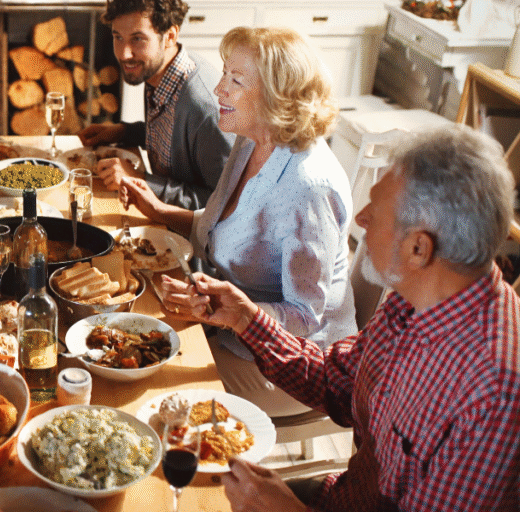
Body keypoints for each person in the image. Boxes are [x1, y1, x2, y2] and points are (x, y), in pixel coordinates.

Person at [182, 125, 520, 511]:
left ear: (417, 248)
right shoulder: (414, 299)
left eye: (375, 213)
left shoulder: (495, 391)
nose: (360, 219)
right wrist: (247, 319)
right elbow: (336, 381)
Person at [120, 26, 356, 418]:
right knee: (130, 341)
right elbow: (225, 227)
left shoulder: (306, 187)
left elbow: (303, 316)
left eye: (235, 79)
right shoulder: (252, 139)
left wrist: (226, 312)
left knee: (149, 387)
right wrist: (160, 213)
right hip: (231, 328)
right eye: (224, 74)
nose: (218, 90)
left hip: (295, 365)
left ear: (278, 94)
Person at [78, 0, 233, 210]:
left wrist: (140, 180)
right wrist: (124, 131)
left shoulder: (206, 110)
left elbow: (224, 205)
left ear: (170, 36)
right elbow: (172, 142)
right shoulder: (157, 72)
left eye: (138, 39)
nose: (124, 54)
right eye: (118, 37)